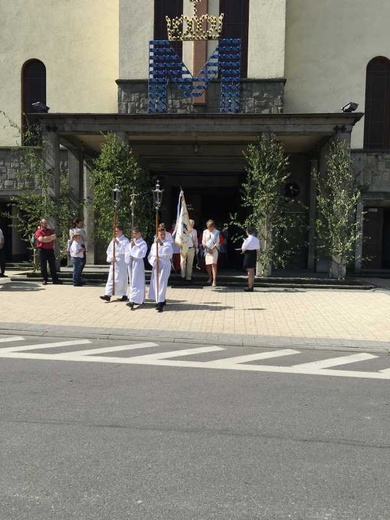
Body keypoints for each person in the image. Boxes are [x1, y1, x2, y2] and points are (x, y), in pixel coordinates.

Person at [100, 225, 130, 302]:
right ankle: (108, 294)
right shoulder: (113, 240)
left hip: (121, 261)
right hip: (114, 261)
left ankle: (123, 294)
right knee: (111, 278)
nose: (115, 233)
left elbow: (126, 251)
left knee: (121, 278)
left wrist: (119, 244)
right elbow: (109, 251)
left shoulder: (125, 240)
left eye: (116, 231)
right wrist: (111, 257)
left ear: (121, 231)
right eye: (115, 231)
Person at [148, 225, 173, 312]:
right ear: (157, 235)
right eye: (160, 234)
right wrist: (154, 259)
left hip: (164, 264)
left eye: (163, 234)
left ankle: (160, 302)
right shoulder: (154, 245)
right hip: (156, 265)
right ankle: (160, 298)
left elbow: (169, 253)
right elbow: (150, 256)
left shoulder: (168, 243)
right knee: (156, 283)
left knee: (162, 282)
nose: (162, 236)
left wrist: (161, 244)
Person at [125, 227, 148, 310]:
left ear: (139, 233)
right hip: (131, 262)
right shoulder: (132, 241)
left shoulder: (143, 243)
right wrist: (129, 253)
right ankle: (136, 299)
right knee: (132, 281)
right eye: (133, 233)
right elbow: (127, 251)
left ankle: (132, 300)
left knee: (136, 281)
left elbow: (142, 254)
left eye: (135, 233)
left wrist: (134, 247)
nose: (134, 235)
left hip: (138, 263)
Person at [34, 219, 62, 285]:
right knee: (43, 265)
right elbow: (41, 239)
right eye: (44, 223)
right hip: (42, 249)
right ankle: (44, 279)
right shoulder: (38, 231)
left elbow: (54, 237)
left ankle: (55, 279)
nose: (46, 224)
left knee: (52, 265)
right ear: (41, 223)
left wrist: (46, 238)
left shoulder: (50, 231)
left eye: (46, 223)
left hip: (50, 249)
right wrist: (49, 238)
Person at [241, 226, 260, 292]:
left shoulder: (247, 239)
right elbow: (258, 249)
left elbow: (243, 248)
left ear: (247, 232)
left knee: (249, 272)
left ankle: (250, 286)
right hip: (254, 254)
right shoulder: (256, 239)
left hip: (248, 254)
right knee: (252, 271)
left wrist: (243, 252)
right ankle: (251, 286)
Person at [202, 219, 220, 287]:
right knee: (208, 265)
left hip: (214, 250)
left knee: (214, 265)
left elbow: (217, 242)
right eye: (208, 227)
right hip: (207, 250)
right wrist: (207, 248)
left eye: (210, 227)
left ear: (213, 226)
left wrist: (212, 249)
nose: (209, 228)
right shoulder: (205, 232)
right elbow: (203, 242)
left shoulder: (217, 232)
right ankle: (210, 277)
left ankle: (214, 280)